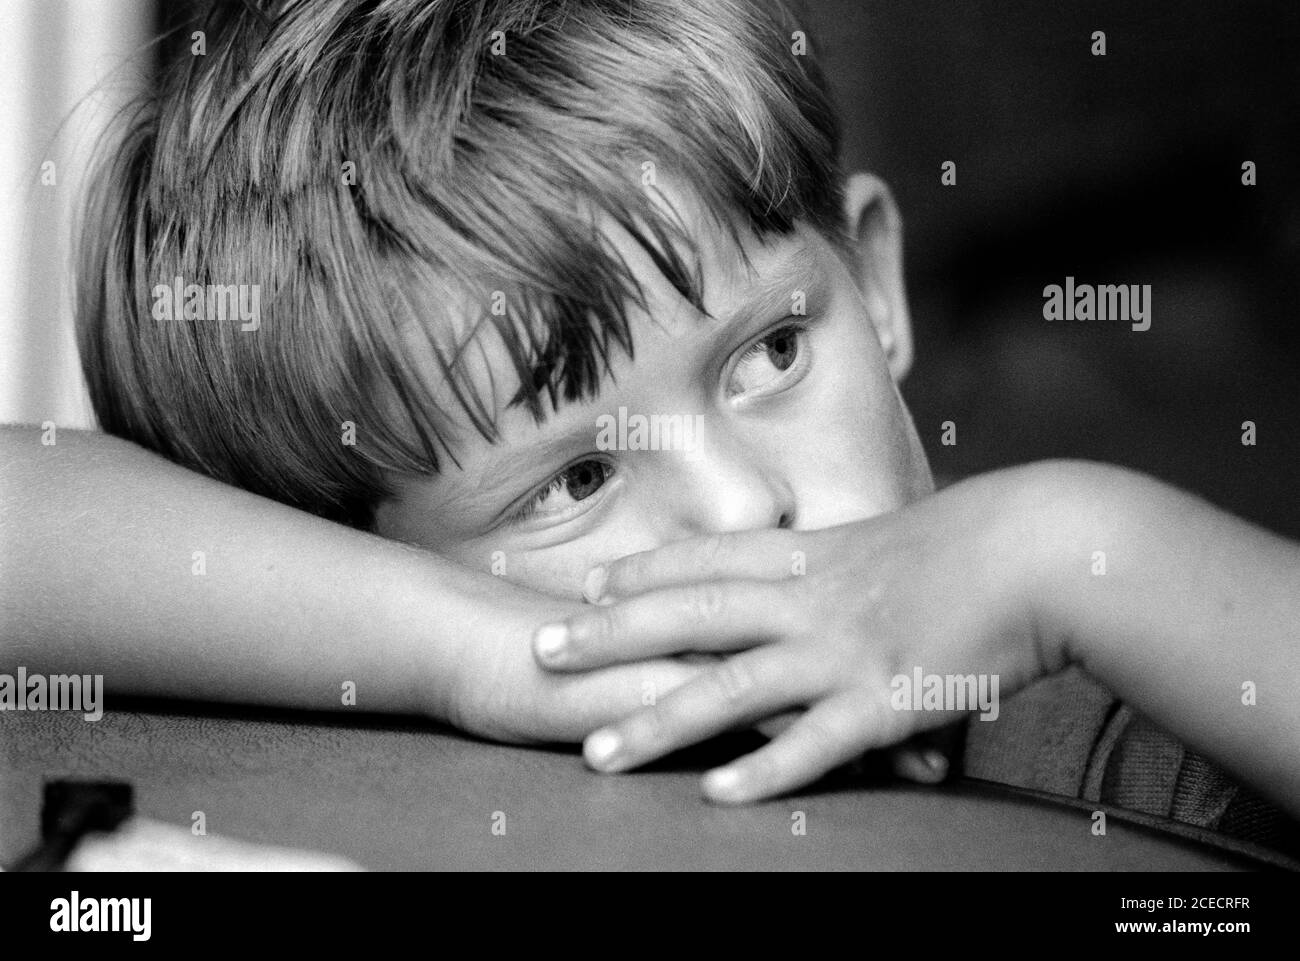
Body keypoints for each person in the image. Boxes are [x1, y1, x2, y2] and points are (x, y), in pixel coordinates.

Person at [3, 0, 1295, 850]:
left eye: (772, 354)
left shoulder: (1138, 753)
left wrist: (1066, 548)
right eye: (573, 478)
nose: (745, 509)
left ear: (880, 286)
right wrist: (476, 656)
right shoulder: (405, 719)